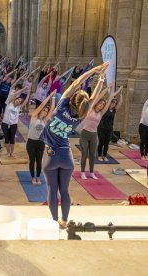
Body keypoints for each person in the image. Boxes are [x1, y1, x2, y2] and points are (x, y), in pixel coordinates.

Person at [39, 62, 108, 228]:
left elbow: (77, 83)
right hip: (66, 156)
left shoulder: (62, 106)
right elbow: (93, 100)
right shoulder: (82, 115)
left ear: (72, 99)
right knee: (64, 191)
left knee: (51, 191)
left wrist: (95, 71)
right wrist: (101, 80)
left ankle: (55, 222)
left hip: (51, 155)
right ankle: (65, 220)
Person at [79, 81, 122, 180]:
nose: (101, 105)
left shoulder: (101, 113)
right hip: (85, 134)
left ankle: (91, 172)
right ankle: (82, 172)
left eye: (103, 105)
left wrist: (112, 91)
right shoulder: (90, 109)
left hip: (93, 135)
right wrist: (107, 88)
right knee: (84, 154)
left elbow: (110, 99)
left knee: (92, 155)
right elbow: (98, 96)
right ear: (97, 104)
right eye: (100, 104)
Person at [26, 91, 56, 184]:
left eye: (46, 112)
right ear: (41, 110)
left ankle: (38, 177)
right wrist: (50, 96)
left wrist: (53, 98)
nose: (45, 112)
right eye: (44, 110)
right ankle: (32, 177)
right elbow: (43, 104)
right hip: (31, 142)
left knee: (39, 161)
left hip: (40, 143)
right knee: (32, 160)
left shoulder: (45, 120)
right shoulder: (34, 116)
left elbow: (52, 110)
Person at [1, 88, 30, 157]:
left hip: (13, 125)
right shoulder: (9, 103)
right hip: (5, 123)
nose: (18, 101)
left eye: (20, 101)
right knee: (7, 138)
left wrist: (28, 94)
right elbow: (15, 94)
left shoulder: (19, 107)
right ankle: (8, 152)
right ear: (15, 99)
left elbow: (25, 101)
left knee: (12, 138)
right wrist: (23, 89)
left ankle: (12, 152)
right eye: (18, 100)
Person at [97, 92, 123, 161]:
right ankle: (99, 155)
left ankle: (104, 155)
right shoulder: (105, 108)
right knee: (101, 142)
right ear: (110, 102)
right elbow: (108, 100)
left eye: (114, 103)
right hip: (101, 128)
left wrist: (120, 95)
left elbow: (120, 104)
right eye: (112, 102)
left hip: (109, 129)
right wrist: (112, 96)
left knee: (106, 143)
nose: (113, 104)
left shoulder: (114, 110)